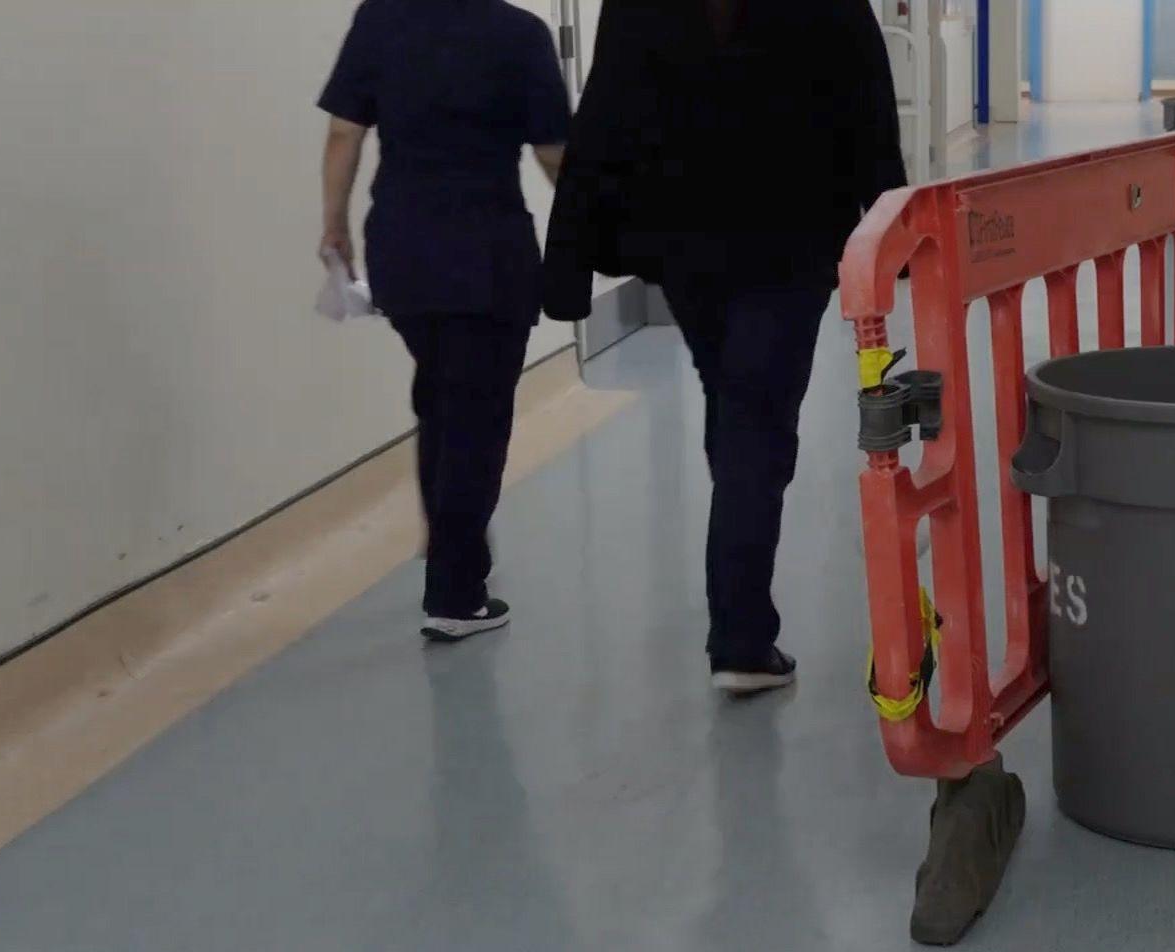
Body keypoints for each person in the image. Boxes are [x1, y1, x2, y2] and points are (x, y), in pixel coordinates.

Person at [542, 0, 908, 693]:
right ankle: (741, 638)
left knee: (738, 402)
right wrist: (887, 225)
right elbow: (868, 107)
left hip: (688, 240)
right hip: (789, 238)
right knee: (757, 419)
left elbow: (604, 114)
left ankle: (739, 605)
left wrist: (570, 255)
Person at [318, 0, 571, 642]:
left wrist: (333, 226)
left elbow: (345, 132)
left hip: (400, 244)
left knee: (440, 394)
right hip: (487, 250)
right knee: (476, 416)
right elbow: (552, 153)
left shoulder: (380, 19)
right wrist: (593, 229)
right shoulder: (518, 34)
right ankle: (457, 592)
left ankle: (445, 543)